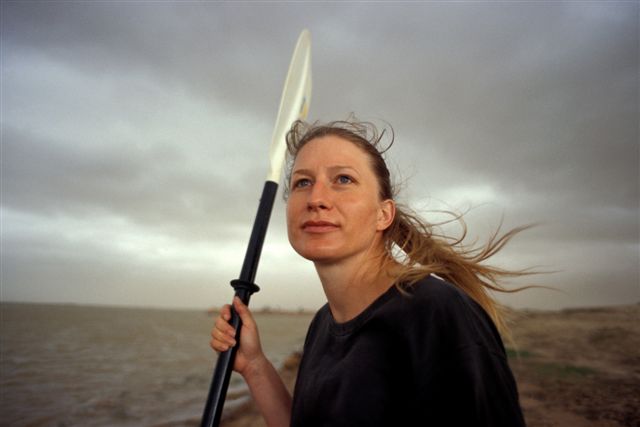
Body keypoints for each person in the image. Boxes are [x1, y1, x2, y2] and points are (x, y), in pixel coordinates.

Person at [210, 119, 529, 426]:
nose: (316, 199)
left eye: (343, 179)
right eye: (303, 182)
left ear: (383, 214)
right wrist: (254, 366)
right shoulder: (323, 325)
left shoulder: (438, 315)